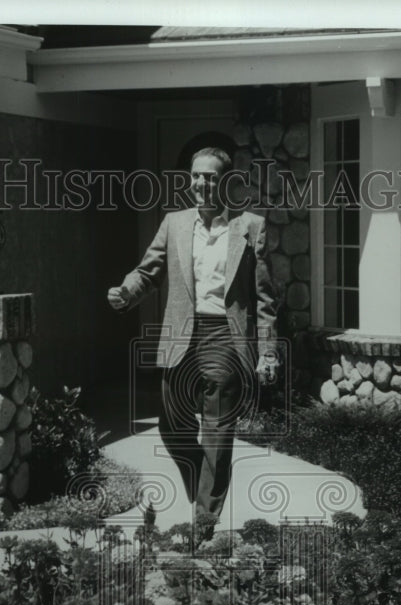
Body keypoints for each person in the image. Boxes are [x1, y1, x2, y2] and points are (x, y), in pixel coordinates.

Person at [108, 147, 279, 538]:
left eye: (211, 177)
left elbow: (265, 297)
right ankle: (203, 484)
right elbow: (149, 271)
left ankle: (203, 522)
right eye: (196, 176)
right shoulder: (175, 223)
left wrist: (268, 351)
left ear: (227, 182)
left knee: (217, 431)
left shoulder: (250, 226)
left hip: (225, 335)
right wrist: (125, 292)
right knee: (172, 425)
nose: (202, 184)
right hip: (180, 335)